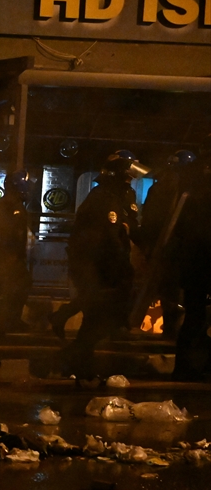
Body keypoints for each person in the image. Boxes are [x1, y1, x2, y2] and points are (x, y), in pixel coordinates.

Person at [57, 150, 148, 379]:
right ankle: (73, 361)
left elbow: (127, 227)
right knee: (97, 316)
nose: (131, 179)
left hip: (104, 266)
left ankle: (79, 362)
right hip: (94, 265)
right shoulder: (103, 198)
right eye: (128, 174)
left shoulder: (117, 195)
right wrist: (119, 267)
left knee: (97, 317)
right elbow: (107, 237)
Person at [137, 149, 197, 338]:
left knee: (168, 289)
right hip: (179, 249)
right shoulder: (191, 191)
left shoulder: (160, 187)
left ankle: (174, 328)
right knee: (176, 290)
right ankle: (177, 329)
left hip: (168, 247)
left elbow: (148, 219)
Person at [168, 145, 209, 381]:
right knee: (199, 317)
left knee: (195, 315)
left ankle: (186, 367)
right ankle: (198, 366)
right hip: (203, 257)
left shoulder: (191, 176)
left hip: (193, 259)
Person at [0, 169, 34, 338]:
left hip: (8, 255)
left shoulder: (13, 204)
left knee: (12, 287)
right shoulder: (8, 206)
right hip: (4, 255)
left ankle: (5, 321)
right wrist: (10, 255)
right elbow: (5, 232)